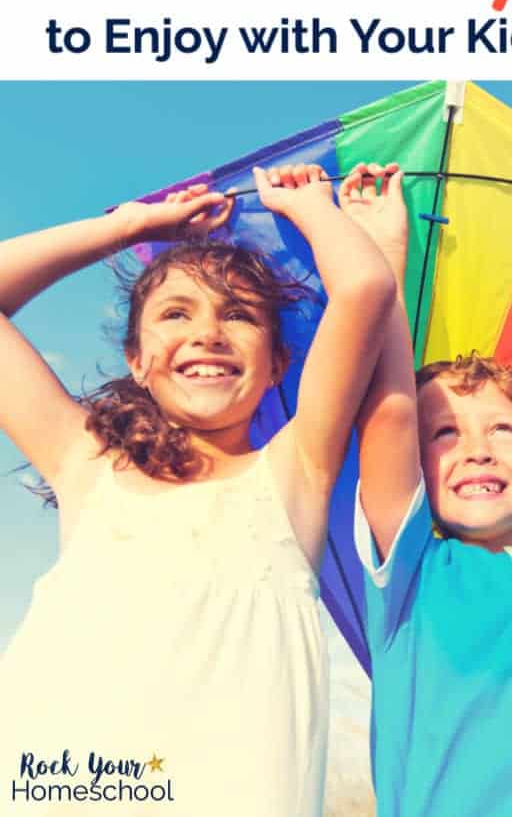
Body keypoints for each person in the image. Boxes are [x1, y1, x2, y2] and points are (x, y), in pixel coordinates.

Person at [0, 163, 396, 816]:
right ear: (135, 358)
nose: (207, 332)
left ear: (276, 365)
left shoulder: (294, 471)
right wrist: (130, 226)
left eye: (238, 315)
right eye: (175, 313)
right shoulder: (85, 462)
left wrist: (310, 206)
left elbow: (365, 287)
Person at [341, 163, 512, 817]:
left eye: (503, 429)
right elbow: (388, 409)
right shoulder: (409, 577)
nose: (477, 448)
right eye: (445, 434)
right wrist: (383, 254)